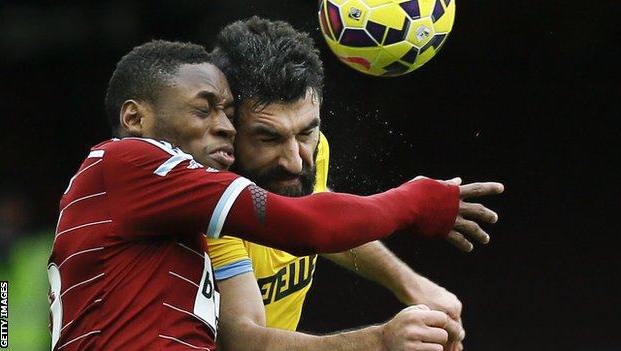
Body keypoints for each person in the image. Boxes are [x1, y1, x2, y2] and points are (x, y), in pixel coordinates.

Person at [48, 40, 502, 350]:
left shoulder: (168, 205)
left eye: (226, 112)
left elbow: (316, 214)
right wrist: (419, 200)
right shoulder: (131, 162)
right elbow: (311, 226)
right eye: (203, 109)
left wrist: (410, 283)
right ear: (135, 117)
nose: (223, 126)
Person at [207, 17, 495, 351]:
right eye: (267, 138)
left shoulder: (312, 154)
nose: (295, 160)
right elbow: (242, 341)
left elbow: (320, 220)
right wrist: (379, 341)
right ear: (227, 127)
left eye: (306, 132)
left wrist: (410, 283)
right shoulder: (210, 198)